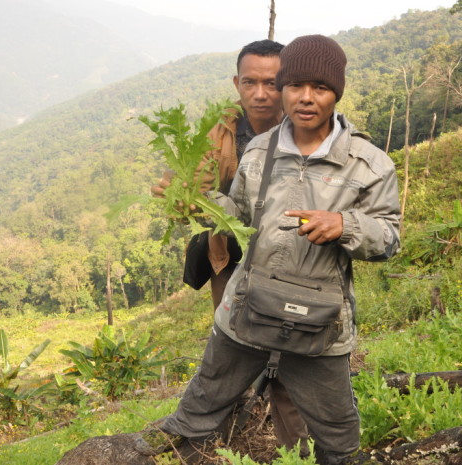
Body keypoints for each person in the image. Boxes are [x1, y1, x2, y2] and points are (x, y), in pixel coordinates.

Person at [147, 35, 401, 465]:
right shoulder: (260, 151)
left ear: (336, 93)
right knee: (198, 410)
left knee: (338, 437)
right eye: (296, 86)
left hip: (319, 322)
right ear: (285, 90)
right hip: (248, 306)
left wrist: (345, 225)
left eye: (319, 88)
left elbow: (389, 238)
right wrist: (201, 201)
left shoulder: (369, 164)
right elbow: (243, 218)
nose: (306, 98)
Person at [147, 39, 309, 452]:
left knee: (289, 356)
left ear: (287, 83)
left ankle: (299, 449)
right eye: (250, 82)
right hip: (230, 258)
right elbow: (191, 190)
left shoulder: (307, 128)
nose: (260, 93)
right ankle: (216, 442)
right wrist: (178, 197)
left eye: (272, 83)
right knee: (231, 344)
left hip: (293, 261)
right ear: (237, 83)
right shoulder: (218, 132)